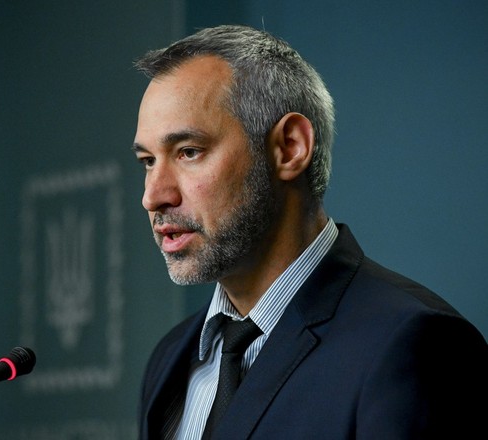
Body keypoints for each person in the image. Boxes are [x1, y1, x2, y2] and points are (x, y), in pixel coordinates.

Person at [130, 24, 487, 440]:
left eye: (189, 152)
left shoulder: (415, 344)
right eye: (148, 161)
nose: (153, 196)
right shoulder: (170, 358)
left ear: (290, 148)